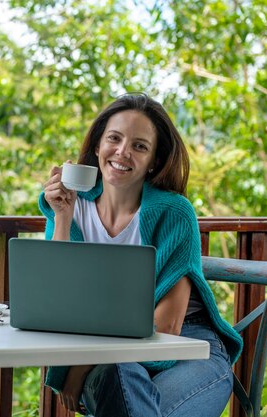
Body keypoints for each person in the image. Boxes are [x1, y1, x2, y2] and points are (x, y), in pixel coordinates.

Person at [39, 93, 242, 417]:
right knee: (123, 379)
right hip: (111, 361)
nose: (123, 152)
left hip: (188, 347)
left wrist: (83, 363)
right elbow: (54, 301)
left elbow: (167, 326)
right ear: (97, 145)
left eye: (139, 146)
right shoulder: (70, 209)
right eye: (114, 139)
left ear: (154, 161)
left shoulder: (174, 213)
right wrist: (62, 217)